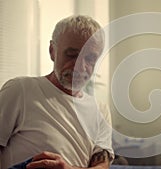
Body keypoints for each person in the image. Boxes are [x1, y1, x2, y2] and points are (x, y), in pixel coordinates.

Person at [0, 15, 114, 168]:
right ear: (52, 51)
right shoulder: (20, 90)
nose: (80, 67)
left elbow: (102, 166)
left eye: (90, 58)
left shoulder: (101, 110)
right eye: (72, 55)